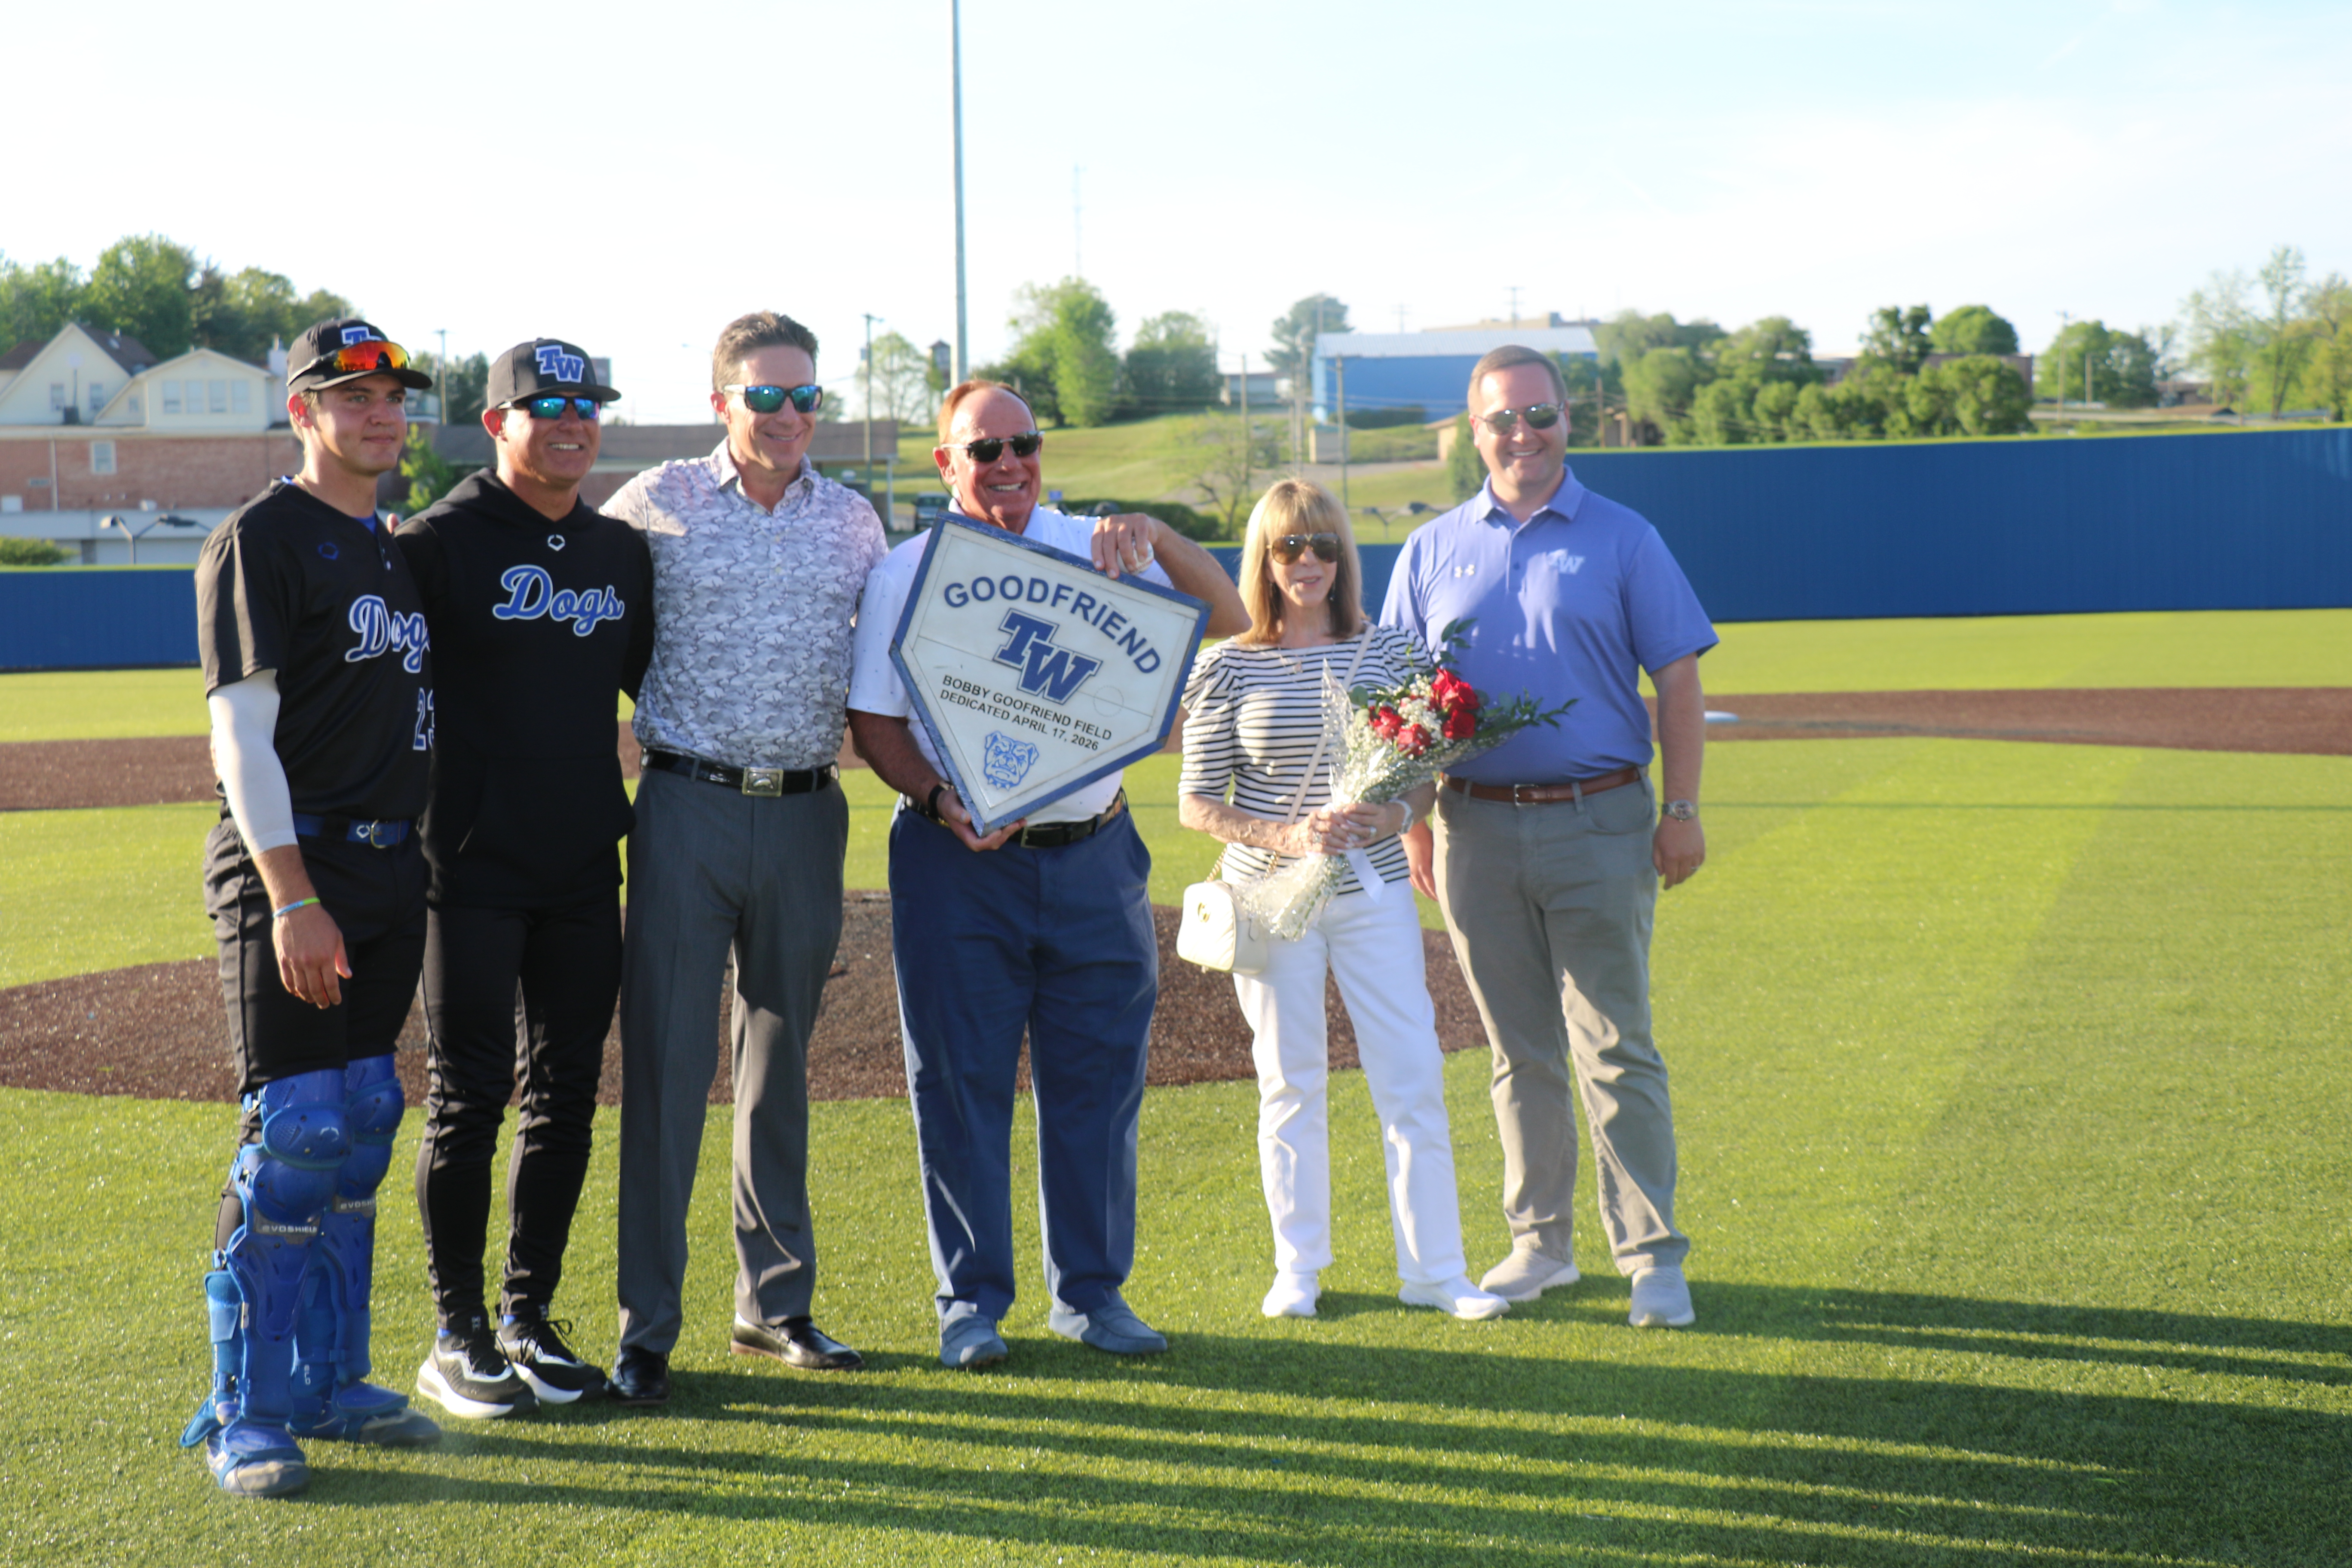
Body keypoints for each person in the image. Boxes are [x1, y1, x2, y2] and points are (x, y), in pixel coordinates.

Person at [846, 380, 1249, 1369]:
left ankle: (1093, 1295)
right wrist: (943, 802)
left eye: (1022, 442)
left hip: (1095, 853)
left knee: (1098, 1083)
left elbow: (1232, 617)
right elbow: (874, 720)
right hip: (957, 861)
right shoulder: (908, 572)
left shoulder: (1100, 547)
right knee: (958, 1081)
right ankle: (970, 1304)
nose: (1008, 463)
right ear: (947, 465)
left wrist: (1157, 534)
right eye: (982, 450)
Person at [1384, 346, 1715, 1329]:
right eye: (1502, 420)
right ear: (1472, 430)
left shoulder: (1625, 538)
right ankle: (1541, 1245)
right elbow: (1402, 701)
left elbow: (1681, 681)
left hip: (1602, 819)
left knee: (1615, 1047)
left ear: (1571, 419)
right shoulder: (1432, 549)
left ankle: (1651, 1256)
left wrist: (1683, 811)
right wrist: (1411, 822)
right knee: (1516, 1050)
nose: (1523, 436)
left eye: (1541, 416)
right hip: (1473, 828)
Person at [180, 318, 444, 1497]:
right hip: (298, 868)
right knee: (295, 1136)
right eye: (352, 396)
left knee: (365, 1121)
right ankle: (249, 1412)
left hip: (392, 867)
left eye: (393, 397)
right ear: (303, 411)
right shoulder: (262, 539)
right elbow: (239, 734)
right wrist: (293, 898)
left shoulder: (385, 545)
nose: (380, 414)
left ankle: (334, 1382)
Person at [603, 311, 886, 1406]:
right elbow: (601, 637)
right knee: (671, 1071)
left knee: (779, 1070)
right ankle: (648, 1326)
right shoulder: (657, 502)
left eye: (805, 397)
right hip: (688, 804)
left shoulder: (855, 522)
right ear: (723, 400)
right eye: (765, 397)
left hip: (810, 814)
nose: (787, 417)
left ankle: (774, 1308)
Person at [395, 338, 652, 1419]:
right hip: (468, 867)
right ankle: (455, 1330)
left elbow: (646, 683)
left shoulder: (617, 550)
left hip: (587, 863)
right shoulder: (435, 545)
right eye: (545, 404)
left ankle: (525, 1316)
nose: (571, 421)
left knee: (566, 1101)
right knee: (470, 1098)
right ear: (497, 421)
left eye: (587, 404)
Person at [1179, 479, 1507, 1324]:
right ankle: (1299, 1269)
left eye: (1324, 546)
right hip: (1266, 901)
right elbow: (1196, 803)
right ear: (1264, 557)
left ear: (1343, 558)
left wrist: (1391, 815)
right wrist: (1291, 840)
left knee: (1412, 1078)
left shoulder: (1392, 653)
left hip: (1374, 894)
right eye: (1290, 547)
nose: (1309, 563)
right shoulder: (1228, 666)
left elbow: (1426, 785)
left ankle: (1436, 1271)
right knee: (1289, 1084)